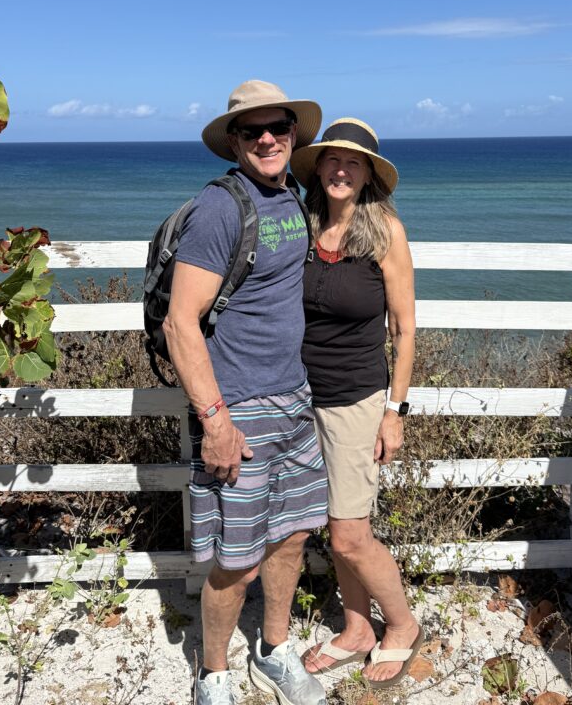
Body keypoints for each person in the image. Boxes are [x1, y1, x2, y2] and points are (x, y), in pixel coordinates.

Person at [163, 80, 329, 705]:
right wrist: (216, 421)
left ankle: (275, 649)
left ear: (294, 134)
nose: (267, 139)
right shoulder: (220, 208)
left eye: (278, 128)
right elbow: (181, 322)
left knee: (291, 536)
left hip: (294, 399)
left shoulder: (292, 197)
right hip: (239, 407)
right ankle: (213, 675)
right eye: (252, 130)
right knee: (237, 559)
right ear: (233, 140)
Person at [290, 118, 423, 689]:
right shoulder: (300, 225)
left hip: (356, 403)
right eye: (331, 160)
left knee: (350, 532)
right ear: (318, 168)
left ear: (369, 174)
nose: (341, 170)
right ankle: (355, 629)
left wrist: (396, 410)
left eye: (354, 162)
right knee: (329, 523)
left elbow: (406, 329)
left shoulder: (386, 232)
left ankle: (401, 625)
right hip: (297, 399)